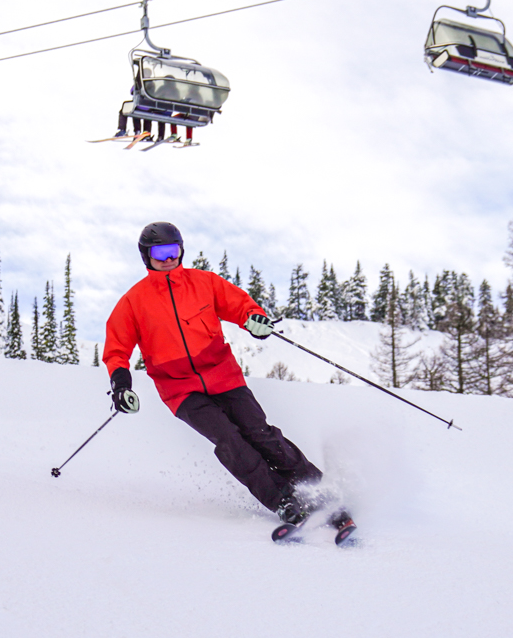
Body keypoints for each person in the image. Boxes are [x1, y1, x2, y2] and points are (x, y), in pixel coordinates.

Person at [102, 222, 347, 531]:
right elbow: (116, 348)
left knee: (261, 433)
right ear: (146, 256)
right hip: (180, 390)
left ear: (181, 252)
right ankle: (282, 499)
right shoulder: (133, 302)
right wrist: (121, 383)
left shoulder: (204, 283)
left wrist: (254, 318)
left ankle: (318, 489)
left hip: (223, 376)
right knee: (229, 440)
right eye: (160, 253)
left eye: (173, 251)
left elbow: (239, 305)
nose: (167, 259)